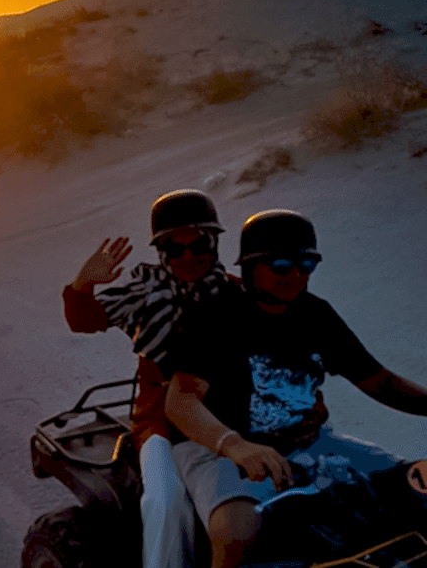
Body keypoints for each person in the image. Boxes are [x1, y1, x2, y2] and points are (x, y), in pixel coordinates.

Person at [163, 209, 427, 568]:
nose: (296, 275)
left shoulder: (316, 314)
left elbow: (379, 382)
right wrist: (234, 445)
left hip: (309, 442)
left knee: (415, 485)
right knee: (237, 532)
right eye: (281, 264)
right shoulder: (216, 316)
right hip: (217, 448)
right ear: (250, 267)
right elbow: (181, 401)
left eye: (307, 264)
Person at [63, 189, 236, 568]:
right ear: (162, 252)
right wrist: (83, 284)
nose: (188, 256)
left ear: (215, 243)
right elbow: (84, 320)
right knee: (166, 499)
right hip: (162, 420)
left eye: (199, 243)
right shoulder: (146, 292)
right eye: (175, 248)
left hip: (230, 414)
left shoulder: (236, 292)